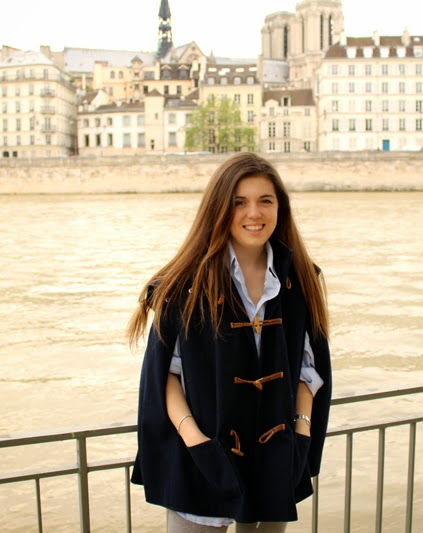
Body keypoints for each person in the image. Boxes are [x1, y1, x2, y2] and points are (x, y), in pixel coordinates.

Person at [127, 152, 331, 532]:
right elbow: (165, 373)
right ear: (219, 208)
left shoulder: (299, 278)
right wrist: (197, 442)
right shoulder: (186, 283)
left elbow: (308, 366)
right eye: (239, 202)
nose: (254, 213)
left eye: (265, 201)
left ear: (280, 208)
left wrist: (301, 431)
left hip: (275, 460)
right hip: (200, 458)